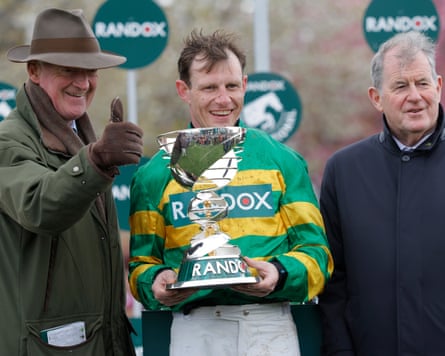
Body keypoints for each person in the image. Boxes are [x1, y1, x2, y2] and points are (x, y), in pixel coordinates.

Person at [128, 29, 333, 356]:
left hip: (270, 323)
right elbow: (140, 266)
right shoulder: (154, 175)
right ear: (184, 90)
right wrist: (156, 281)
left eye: (232, 86)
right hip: (194, 328)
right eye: (209, 87)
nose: (224, 99)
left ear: (246, 85)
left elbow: (318, 255)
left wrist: (279, 274)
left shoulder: (282, 161)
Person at [1, 8, 144, 355]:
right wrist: (94, 160)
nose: (83, 82)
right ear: (34, 70)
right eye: (68, 69)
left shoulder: (76, 137)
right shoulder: (8, 142)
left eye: (90, 71)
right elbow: (40, 206)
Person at [319, 31, 445, 355]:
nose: (415, 96)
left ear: (439, 87)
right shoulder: (343, 171)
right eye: (401, 86)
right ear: (376, 98)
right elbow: (333, 286)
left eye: (423, 83)